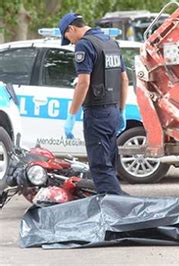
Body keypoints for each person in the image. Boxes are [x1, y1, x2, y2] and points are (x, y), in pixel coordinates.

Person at [59, 13, 128, 195]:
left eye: (67, 38)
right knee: (109, 166)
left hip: (97, 113)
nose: (71, 43)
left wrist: (71, 115)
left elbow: (83, 82)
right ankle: (117, 207)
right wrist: (121, 110)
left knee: (100, 168)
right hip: (112, 111)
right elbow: (124, 79)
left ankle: (116, 211)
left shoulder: (85, 44)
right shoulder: (110, 42)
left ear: (71, 29)